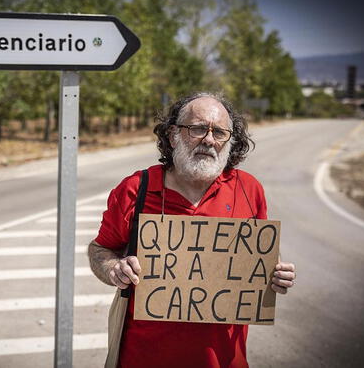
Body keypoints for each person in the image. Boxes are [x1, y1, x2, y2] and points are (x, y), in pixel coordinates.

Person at [87, 92, 296, 368]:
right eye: (197, 129)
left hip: (225, 361)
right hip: (142, 359)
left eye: (220, 132)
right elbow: (99, 249)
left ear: (230, 141)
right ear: (173, 135)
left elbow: (263, 251)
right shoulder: (135, 189)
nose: (209, 140)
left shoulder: (249, 190)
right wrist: (113, 269)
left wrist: (275, 269)